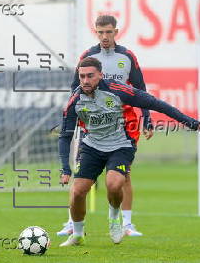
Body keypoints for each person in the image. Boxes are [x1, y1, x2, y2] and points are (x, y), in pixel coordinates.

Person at [58, 57, 200, 246]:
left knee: (114, 184)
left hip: (120, 145)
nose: (86, 81)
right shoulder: (75, 101)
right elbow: (65, 136)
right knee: (78, 191)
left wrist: (192, 123)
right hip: (91, 147)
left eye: (90, 76)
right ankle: (78, 234)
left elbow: (156, 104)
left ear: (100, 75)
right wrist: (65, 168)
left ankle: (114, 220)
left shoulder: (117, 90)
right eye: (82, 77)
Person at [57, 15, 152, 237]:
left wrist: (146, 118)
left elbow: (141, 90)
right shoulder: (88, 56)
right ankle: (72, 222)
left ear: (116, 32)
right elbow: (75, 89)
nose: (105, 36)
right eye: (100, 32)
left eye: (108, 32)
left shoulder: (127, 56)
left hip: (123, 122)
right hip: (92, 122)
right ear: (95, 32)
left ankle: (126, 223)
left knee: (121, 175)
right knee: (81, 173)